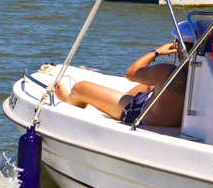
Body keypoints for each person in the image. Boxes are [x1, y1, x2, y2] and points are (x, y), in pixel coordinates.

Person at [54, 41, 187, 127]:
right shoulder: (201, 73)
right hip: (171, 118)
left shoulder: (168, 72)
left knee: (80, 88)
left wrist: (157, 51)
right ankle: (111, 101)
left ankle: (67, 99)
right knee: (147, 85)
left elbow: (131, 72)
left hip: (141, 116)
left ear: (181, 47)